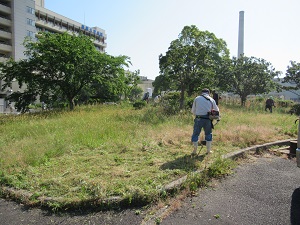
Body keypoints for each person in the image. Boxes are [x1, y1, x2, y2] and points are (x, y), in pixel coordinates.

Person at [191, 88, 220, 155]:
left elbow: (193, 111)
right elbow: (216, 110)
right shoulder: (211, 99)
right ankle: (208, 150)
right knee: (208, 134)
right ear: (208, 93)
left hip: (198, 118)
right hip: (208, 120)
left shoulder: (197, 98)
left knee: (195, 134)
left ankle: (194, 151)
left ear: (202, 93)